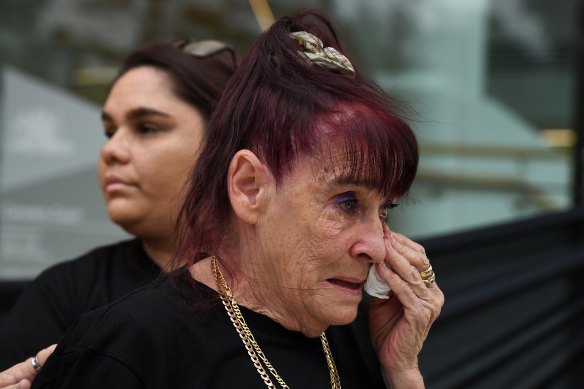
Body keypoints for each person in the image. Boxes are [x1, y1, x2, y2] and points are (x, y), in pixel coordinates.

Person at [31, 10, 444, 388]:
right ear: (250, 188)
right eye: (347, 202)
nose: (375, 246)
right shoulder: (131, 348)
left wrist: (402, 372)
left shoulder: (358, 336)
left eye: (385, 210)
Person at [0, 39, 237, 385]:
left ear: (224, 144)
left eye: (147, 127)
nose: (111, 150)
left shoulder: (303, 297)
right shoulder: (66, 293)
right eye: (110, 131)